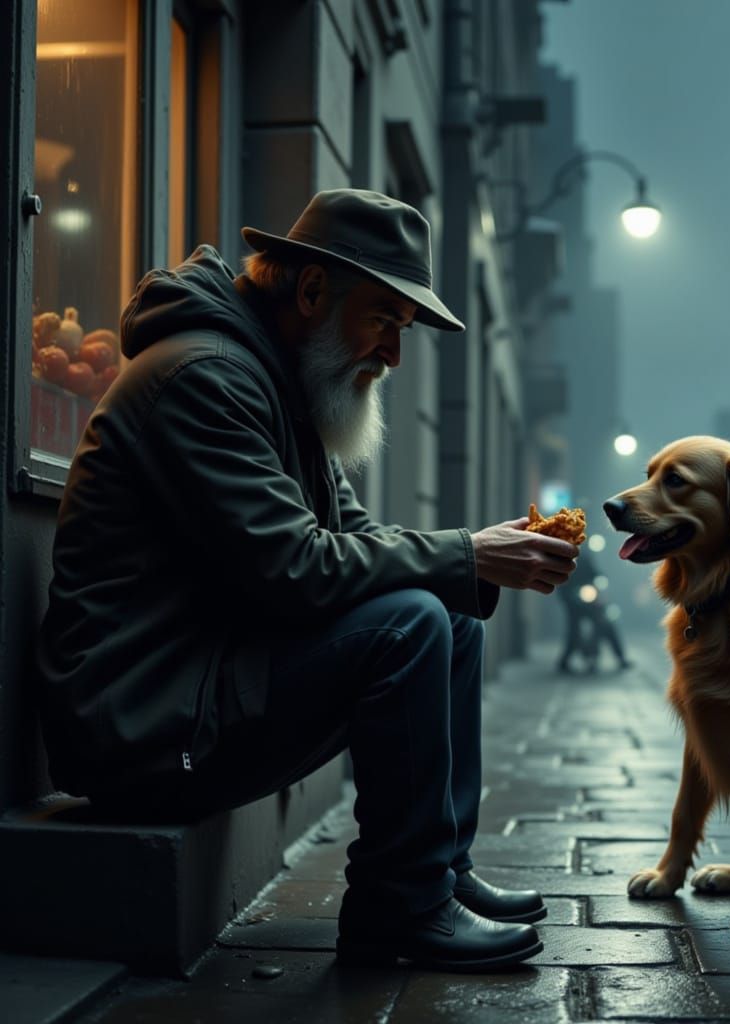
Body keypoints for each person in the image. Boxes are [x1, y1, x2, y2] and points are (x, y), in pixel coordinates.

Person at [37, 189, 580, 972]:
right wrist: (466, 551)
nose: (393, 354)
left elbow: (352, 536)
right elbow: (293, 569)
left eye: (401, 331)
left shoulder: (281, 381)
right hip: (145, 729)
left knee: (450, 608)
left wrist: (474, 557)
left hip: (203, 688)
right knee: (413, 621)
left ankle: (438, 874)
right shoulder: (207, 379)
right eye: (384, 321)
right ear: (313, 290)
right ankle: (401, 908)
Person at [556, 549, 632, 674]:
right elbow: (561, 585)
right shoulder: (564, 563)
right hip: (574, 603)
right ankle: (564, 661)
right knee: (574, 630)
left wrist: (601, 579)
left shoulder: (585, 558)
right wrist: (569, 597)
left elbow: (595, 573)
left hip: (591, 601)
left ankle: (620, 657)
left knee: (607, 625)